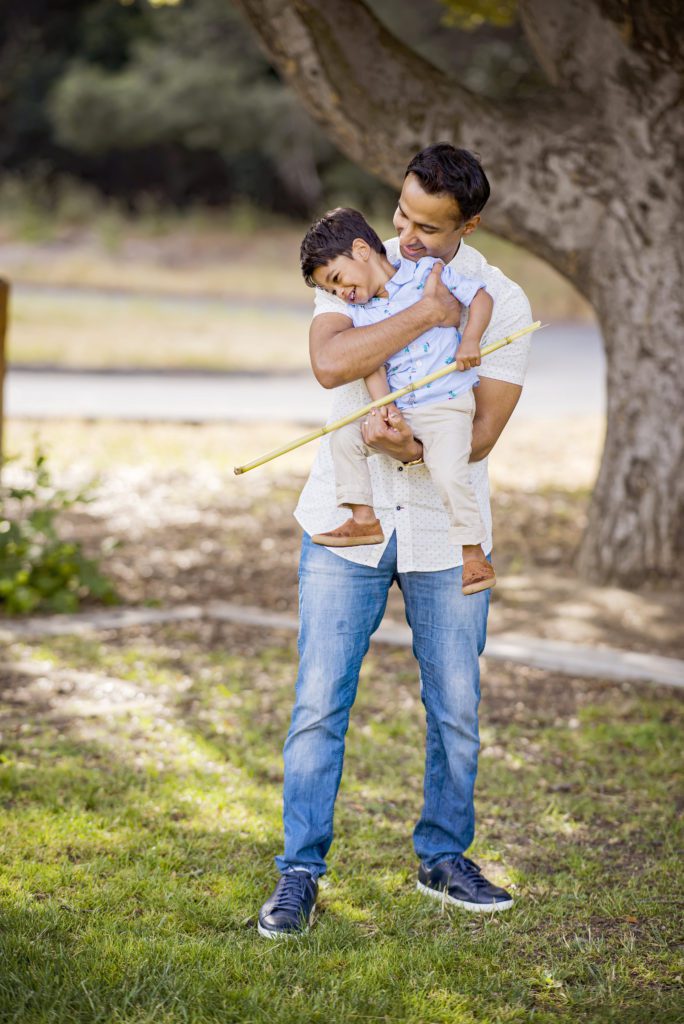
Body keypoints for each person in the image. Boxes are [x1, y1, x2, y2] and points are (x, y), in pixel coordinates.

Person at [257, 144, 533, 939]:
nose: (405, 236)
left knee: (456, 708)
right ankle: (300, 871)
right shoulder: (356, 258)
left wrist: (413, 448)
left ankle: (444, 858)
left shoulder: (502, 300)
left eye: (427, 227)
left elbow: (480, 434)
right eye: (402, 214)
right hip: (346, 525)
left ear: (468, 225)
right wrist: (422, 317)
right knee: (317, 705)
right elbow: (332, 360)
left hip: (445, 527)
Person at [299, 206, 496, 597]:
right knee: (344, 437)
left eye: (338, 279)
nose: (341, 293)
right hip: (403, 409)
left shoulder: (426, 273)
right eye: (332, 290)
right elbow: (370, 365)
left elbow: (481, 299)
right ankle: (363, 517)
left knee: (448, 470)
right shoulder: (362, 311)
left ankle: (473, 555)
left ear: (362, 249)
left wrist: (470, 340)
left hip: (445, 406)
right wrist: (382, 406)